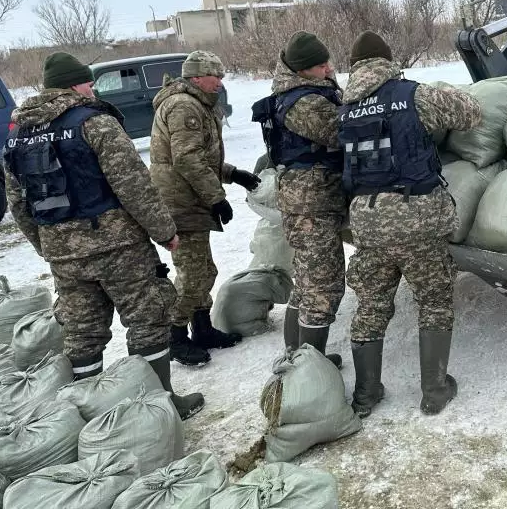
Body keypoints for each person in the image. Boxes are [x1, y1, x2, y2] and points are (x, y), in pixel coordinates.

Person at [3, 52, 203, 419]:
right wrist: (165, 233)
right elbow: (133, 184)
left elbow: (17, 202)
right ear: (74, 85)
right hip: (118, 246)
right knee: (147, 319)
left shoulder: (19, 134)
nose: (92, 89)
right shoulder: (94, 122)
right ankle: (160, 407)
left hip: (63, 252)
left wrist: (46, 245)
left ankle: (91, 418)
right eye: (88, 83)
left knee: (82, 332)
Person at [338, 31, 482, 417]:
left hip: (367, 220)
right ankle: (435, 390)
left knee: (370, 305)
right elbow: (470, 113)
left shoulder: (344, 107)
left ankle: (366, 394)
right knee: (434, 300)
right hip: (414, 215)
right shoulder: (411, 95)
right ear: (387, 61)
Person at [149, 50, 259, 366]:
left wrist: (233, 174)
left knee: (203, 270)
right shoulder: (184, 106)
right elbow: (186, 160)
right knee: (193, 274)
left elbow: (201, 157)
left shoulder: (196, 103)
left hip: (188, 199)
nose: (220, 82)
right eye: (216, 76)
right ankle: (175, 337)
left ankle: (202, 328)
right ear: (197, 77)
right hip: (180, 203)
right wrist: (216, 197)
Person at [252, 31, 345, 365]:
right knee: (322, 284)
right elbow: (341, 131)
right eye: (321, 66)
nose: (329, 69)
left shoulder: (297, 92)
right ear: (303, 69)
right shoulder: (304, 102)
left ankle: (297, 356)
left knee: (307, 280)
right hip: (312, 202)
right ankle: (310, 369)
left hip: (305, 197)